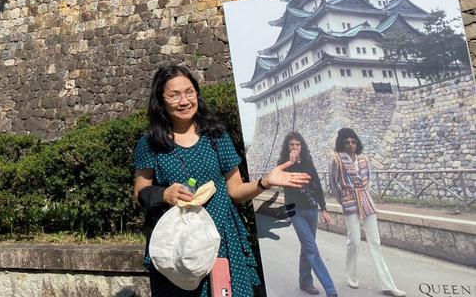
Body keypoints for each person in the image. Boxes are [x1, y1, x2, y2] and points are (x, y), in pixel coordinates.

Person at [133, 63, 311, 297]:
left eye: (189, 92)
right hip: (179, 246)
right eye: (174, 95)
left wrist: (265, 182)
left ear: (197, 93)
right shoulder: (150, 144)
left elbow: (235, 190)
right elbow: (140, 192)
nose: (184, 101)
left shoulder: (216, 135)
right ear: (161, 101)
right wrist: (165, 194)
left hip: (221, 238)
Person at [328, 128, 406, 297]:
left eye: (353, 141)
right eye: (347, 142)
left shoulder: (364, 159)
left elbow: (368, 179)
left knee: (375, 242)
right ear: (341, 143)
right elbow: (333, 183)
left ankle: (387, 285)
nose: (351, 145)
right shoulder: (336, 159)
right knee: (354, 240)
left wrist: (364, 193)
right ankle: (351, 275)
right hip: (349, 200)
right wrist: (343, 200)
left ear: (357, 142)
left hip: (365, 199)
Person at [277, 131, 338, 297]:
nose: (295, 147)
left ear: (301, 146)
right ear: (287, 147)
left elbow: (317, 186)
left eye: (298, 144)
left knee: (307, 246)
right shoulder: (282, 164)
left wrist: (323, 209)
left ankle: (305, 282)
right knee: (311, 248)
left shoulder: (308, 163)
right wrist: (290, 162)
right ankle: (331, 290)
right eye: (292, 144)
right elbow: (278, 180)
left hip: (311, 209)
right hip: (295, 210)